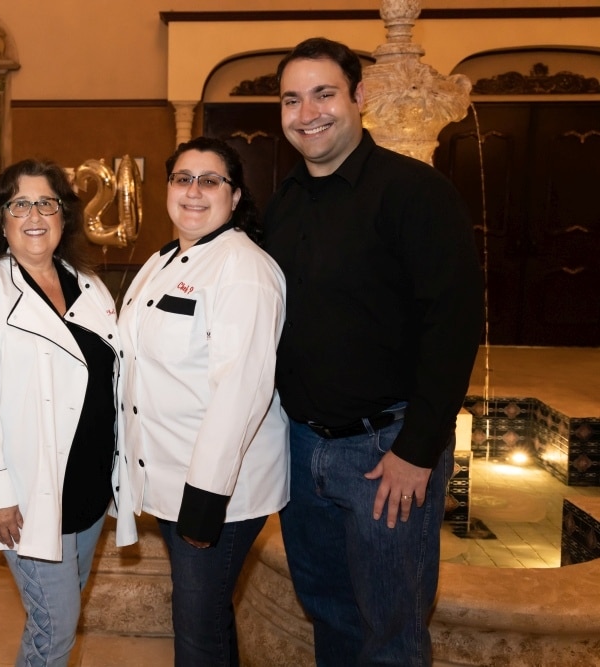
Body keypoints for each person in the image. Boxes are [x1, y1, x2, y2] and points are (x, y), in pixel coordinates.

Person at [260, 37, 484, 666]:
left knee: (392, 633)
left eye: (323, 94)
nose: (308, 113)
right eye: (292, 100)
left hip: (386, 452)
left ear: (358, 96)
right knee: (328, 614)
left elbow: (454, 326)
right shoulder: (284, 200)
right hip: (302, 448)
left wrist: (416, 450)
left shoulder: (416, 192)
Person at [0, 158, 137, 667]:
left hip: (88, 489)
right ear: (2, 220)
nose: (34, 215)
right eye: (20, 204)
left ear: (63, 216)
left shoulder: (89, 285)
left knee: (60, 617)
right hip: (29, 491)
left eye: (46, 203)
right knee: (55, 628)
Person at [118, 137, 288, 666]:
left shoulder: (244, 268)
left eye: (210, 181)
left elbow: (242, 391)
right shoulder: (163, 260)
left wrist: (205, 501)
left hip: (217, 491)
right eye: (182, 179)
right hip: (171, 479)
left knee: (197, 632)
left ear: (234, 197)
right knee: (207, 621)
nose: (193, 191)